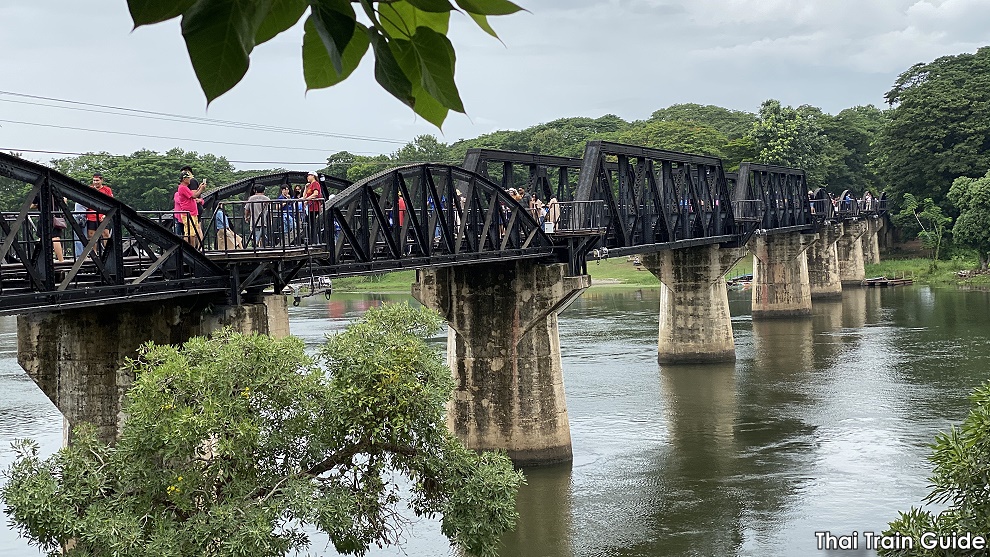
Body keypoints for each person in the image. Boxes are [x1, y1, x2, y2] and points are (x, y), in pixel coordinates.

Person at [174, 170, 207, 248]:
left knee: (192, 232)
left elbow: (192, 194)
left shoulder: (185, 188)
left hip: (192, 213)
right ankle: (190, 249)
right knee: (190, 233)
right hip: (188, 214)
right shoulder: (183, 188)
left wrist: (199, 187)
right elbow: (194, 196)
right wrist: (201, 189)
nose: (190, 179)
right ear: (184, 179)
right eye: (188, 178)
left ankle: (190, 248)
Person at [86, 173, 113, 249]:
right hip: (91, 216)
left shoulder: (107, 190)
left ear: (101, 180)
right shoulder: (89, 189)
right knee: (92, 235)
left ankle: (107, 252)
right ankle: (94, 254)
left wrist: (106, 214)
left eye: (97, 180)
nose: (95, 182)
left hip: (103, 216)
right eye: (94, 180)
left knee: (105, 234)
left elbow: (111, 203)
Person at [303, 171, 324, 243]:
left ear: (313, 176)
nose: (307, 177)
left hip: (314, 207)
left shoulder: (315, 183)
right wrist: (306, 188)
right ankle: (311, 240)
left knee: (312, 224)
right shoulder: (310, 185)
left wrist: (307, 200)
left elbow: (316, 194)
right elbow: (304, 196)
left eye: (309, 175)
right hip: (311, 207)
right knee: (310, 223)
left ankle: (313, 241)